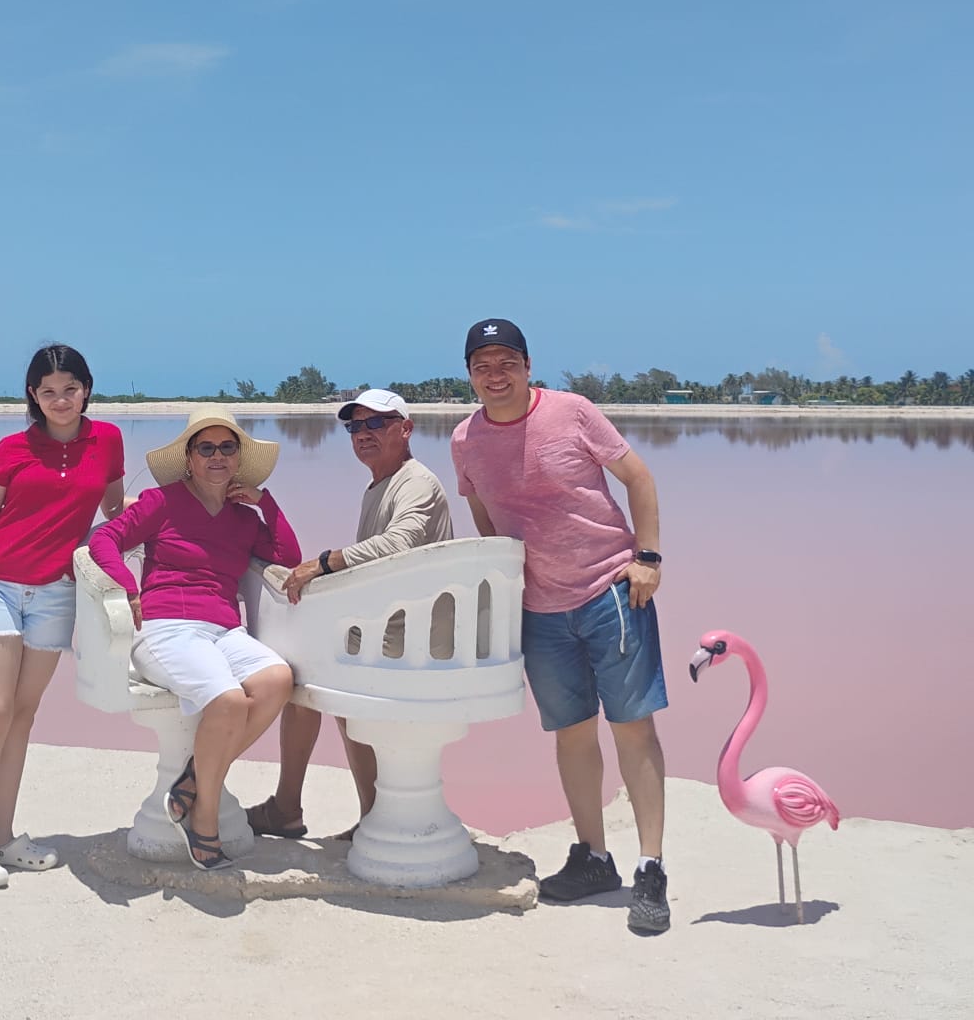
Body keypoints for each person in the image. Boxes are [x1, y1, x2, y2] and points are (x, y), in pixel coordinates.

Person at [450, 319, 672, 934]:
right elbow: (479, 507)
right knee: (572, 735)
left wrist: (647, 558)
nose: (496, 375)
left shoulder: (572, 411)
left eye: (507, 362)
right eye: (482, 365)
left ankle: (650, 868)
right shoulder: (465, 438)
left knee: (632, 730)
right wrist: (500, 580)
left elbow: (639, 479)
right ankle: (594, 857)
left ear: (527, 365)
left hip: (611, 591)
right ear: (469, 373)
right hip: (539, 609)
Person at [0, 343, 126, 892]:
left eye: (70, 388)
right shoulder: (12, 447)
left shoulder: (109, 441)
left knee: (24, 714)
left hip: (57, 592)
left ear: (87, 389)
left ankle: (4, 836)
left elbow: (117, 514)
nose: (60, 399)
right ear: (33, 395)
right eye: (48, 392)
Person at [88, 409, 298, 871]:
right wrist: (127, 586)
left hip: (224, 629)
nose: (217, 456)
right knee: (227, 702)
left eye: (227, 447)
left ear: (238, 457)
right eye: (207, 448)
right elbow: (105, 540)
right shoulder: (160, 501)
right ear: (189, 458)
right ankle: (203, 819)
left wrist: (266, 503)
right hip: (165, 628)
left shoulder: (245, 518)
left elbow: (288, 558)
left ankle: (192, 781)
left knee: (278, 680)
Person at [245, 388, 453, 840]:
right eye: (355, 427)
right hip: (393, 631)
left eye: (376, 424)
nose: (364, 434)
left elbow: (398, 545)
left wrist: (321, 564)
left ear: (406, 428)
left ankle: (296, 809)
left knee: (305, 675)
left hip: (414, 641)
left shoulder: (415, 482)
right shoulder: (381, 485)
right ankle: (346, 812)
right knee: (304, 671)